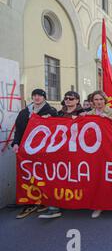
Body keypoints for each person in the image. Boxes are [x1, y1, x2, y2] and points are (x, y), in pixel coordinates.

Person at [38, 91, 85, 219]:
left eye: (71, 98)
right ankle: (54, 207)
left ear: (77, 100)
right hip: (60, 151)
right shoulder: (58, 113)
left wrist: (82, 120)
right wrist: (48, 120)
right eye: (66, 98)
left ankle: (79, 201)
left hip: (78, 152)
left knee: (75, 177)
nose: (68, 100)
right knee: (58, 177)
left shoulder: (83, 114)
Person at [12, 89, 57, 219]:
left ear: (44, 98)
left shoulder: (51, 111)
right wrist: (16, 143)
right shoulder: (24, 112)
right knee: (28, 175)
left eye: (40, 95)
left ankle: (44, 200)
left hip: (44, 150)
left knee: (44, 175)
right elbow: (18, 130)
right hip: (26, 150)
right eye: (35, 95)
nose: (37, 98)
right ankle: (30, 201)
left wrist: (50, 119)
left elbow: (58, 128)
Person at [86, 91, 112, 219]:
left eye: (100, 99)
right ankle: (98, 205)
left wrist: (110, 120)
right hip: (94, 151)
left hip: (109, 151)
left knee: (110, 177)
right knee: (96, 177)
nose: (98, 102)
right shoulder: (89, 114)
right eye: (96, 99)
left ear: (105, 100)